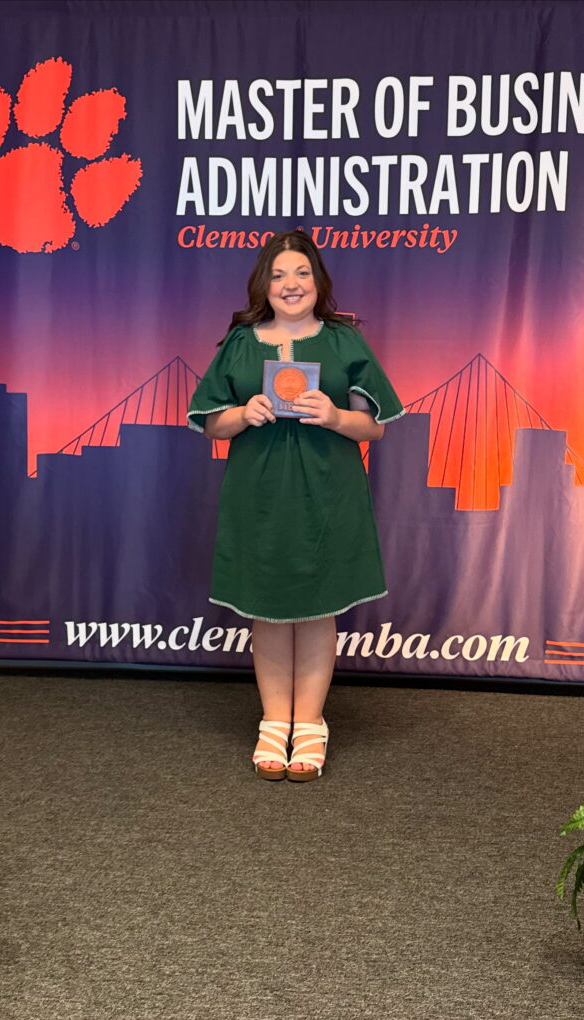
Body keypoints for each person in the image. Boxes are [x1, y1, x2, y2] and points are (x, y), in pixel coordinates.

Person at [187, 230, 403, 781]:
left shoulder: (344, 341)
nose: (291, 284)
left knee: (318, 607)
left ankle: (310, 722)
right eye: (280, 274)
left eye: (302, 273)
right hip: (259, 492)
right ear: (265, 283)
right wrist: (243, 414)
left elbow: (372, 427)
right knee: (268, 607)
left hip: (329, 490)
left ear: (318, 282)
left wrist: (334, 417)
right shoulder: (238, 343)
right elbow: (212, 420)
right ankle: (272, 721)